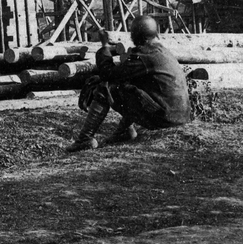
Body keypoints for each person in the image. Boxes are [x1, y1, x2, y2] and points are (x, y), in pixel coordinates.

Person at [67, 15, 193, 152]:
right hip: (178, 116)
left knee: (106, 88)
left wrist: (105, 47)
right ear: (155, 33)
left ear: (134, 36)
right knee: (129, 87)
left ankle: (84, 139)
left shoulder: (145, 55)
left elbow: (107, 74)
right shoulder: (159, 51)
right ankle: (124, 132)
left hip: (164, 119)